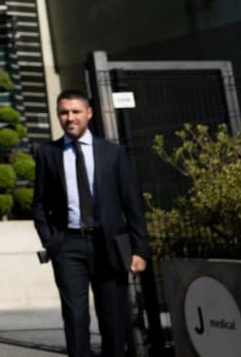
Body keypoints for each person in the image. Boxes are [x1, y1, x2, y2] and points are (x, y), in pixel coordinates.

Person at [32, 89, 149, 357]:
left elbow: (132, 204)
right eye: (64, 112)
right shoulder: (47, 154)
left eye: (75, 112)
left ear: (89, 113)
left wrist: (140, 249)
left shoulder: (113, 154)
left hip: (109, 244)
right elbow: (39, 204)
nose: (70, 118)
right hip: (68, 245)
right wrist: (51, 241)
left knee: (113, 319)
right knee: (75, 317)